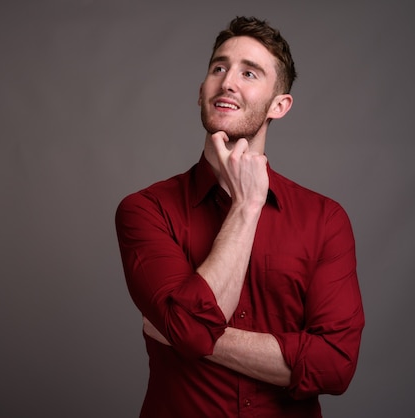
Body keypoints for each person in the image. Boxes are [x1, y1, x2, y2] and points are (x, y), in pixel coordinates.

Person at [115, 16, 364, 418]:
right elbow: (191, 330)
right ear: (201, 93)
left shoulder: (325, 219)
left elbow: (335, 365)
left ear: (279, 105)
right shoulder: (146, 209)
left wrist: (186, 333)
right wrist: (248, 206)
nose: (228, 81)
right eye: (219, 68)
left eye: (249, 72)